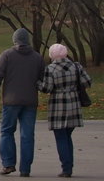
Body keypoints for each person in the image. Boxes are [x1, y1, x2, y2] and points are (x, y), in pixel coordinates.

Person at [0, 28, 45, 177]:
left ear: (15, 40)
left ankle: (8, 164)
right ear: (28, 40)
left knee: (7, 132)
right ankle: (25, 169)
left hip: (11, 101)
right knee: (27, 135)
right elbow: (42, 79)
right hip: (30, 101)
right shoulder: (38, 57)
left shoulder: (6, 55)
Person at [38, 43, 92, 178]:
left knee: (61, 137)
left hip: (58, 105)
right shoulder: (76, 66)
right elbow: (88, 82)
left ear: (51, 56)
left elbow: (47, 89)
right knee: (67, 136)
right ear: (66, 53)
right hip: (74, 104)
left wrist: (37, 83)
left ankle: (66, 168)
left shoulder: (50, 69)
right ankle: (69, 165)